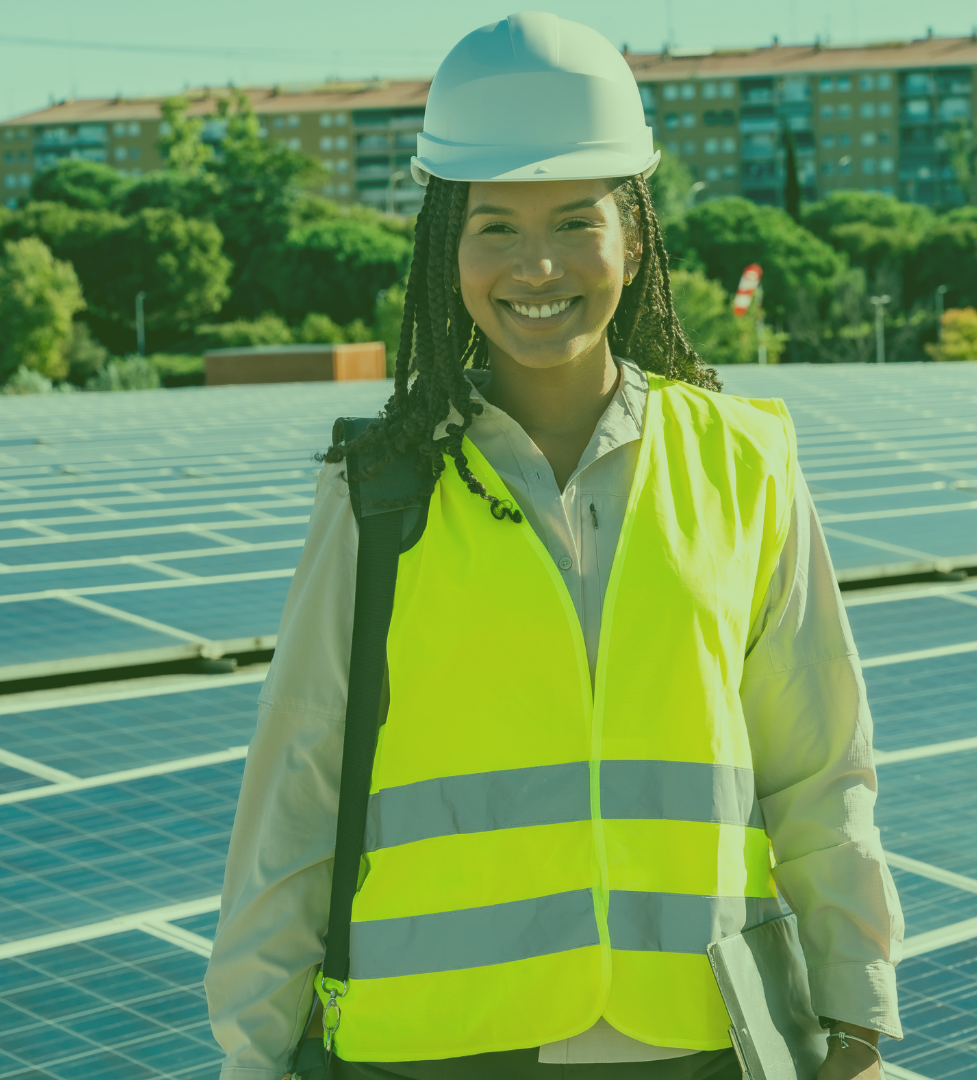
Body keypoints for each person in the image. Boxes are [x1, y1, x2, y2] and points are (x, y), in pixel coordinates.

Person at [205, 13, 902, 1079]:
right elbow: (296, 787)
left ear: (634, 236)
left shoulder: (744, 465)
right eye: (494, 226)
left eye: (577, 221)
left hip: (699, 1044)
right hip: (433, 1049)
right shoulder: (381, 487)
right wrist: (252, 1056)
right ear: (449, 247)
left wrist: (856, 1022)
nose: (537, 266)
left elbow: (820, 774)